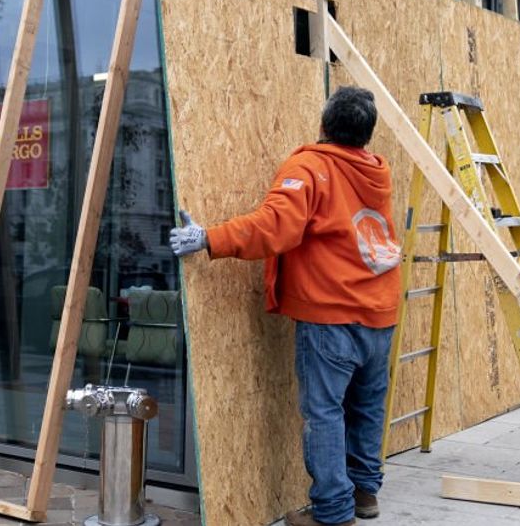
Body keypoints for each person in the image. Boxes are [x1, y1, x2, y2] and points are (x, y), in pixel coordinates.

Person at [170, 86, 402, 526]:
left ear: (323, 125)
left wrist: (209, 238)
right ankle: (365, 494)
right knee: (367, 407)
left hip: (332, 314)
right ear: (366, 135)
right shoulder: (376, 171)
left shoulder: (311, 167)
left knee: (326, 412)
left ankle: (334, 513)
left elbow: (275, 226)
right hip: (380, 310)